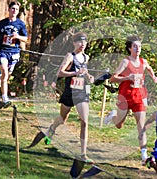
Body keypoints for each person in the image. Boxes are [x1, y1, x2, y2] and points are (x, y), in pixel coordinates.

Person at [103, 35, 157, 165]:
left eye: (139, 46)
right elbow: (113, 78)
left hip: (138, 96)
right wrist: (127, 78)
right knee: (119, 125)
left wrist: (154, 77)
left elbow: (149, 69)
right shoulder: (125, 62)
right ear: (129, 48)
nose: (138, 48)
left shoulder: (143, 62)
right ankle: (113, 116)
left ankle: (144, 155)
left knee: (141, 125)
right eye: (135, 46)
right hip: (125, 96)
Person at [44, 32, 94, 163]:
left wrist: (89, 76)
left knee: (84, 122)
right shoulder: (70, 56)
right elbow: (59, 73)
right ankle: (52, 128)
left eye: (84, 42)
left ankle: (83, 154)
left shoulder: (86, 57)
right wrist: (75, 73)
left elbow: (84, 70)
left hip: (82, 92)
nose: (82, 44)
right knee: (62, 119)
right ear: (74, 43)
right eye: (80, 42)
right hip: (69, 92)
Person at [0, 1, 27, 107]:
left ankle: (1, 78)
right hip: (3, 51)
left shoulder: (21, 24)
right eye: (12, 8)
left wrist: (17, 37)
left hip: (14, 52)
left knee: (7, 74)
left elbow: (25, 39)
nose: (14, 11)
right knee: (5, 72)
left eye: (16, 9)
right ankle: (5, 98)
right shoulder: (2, 23)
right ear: (9, 9)